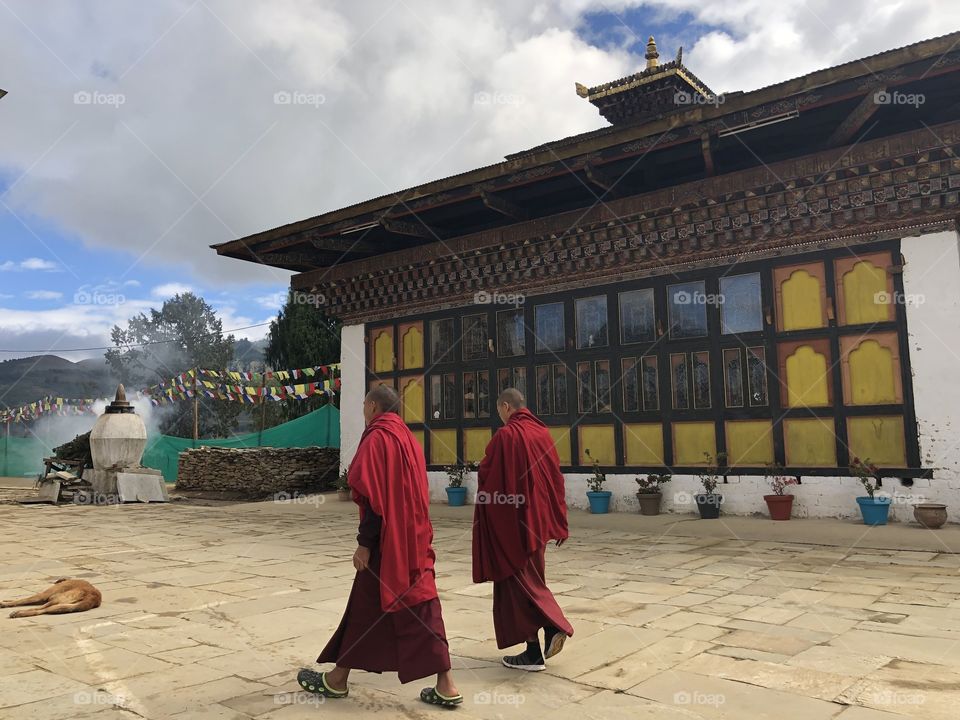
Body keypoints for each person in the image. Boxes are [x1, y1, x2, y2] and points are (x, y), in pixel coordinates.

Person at [297, 385, 462, 708]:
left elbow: (373, 497)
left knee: (368, 608)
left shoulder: (378, 437)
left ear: (373, 406)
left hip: (388, 541)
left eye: (363, 405)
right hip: (415, 537)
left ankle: (338, 680)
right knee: (418, 603)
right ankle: (445, 684)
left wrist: (365, 544)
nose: (363, 410)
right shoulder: (408, 439)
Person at [472, 388, 574, 671]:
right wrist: (559, 520)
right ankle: (534, 651)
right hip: (538, 524)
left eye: (499, 411)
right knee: (526, 583)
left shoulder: (506, 436)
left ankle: (554, 625)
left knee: (519, 584)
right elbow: (555, 479)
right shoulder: (542, 433)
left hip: (513, 526)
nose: (500, 417)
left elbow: (490, 479)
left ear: (506, 406)